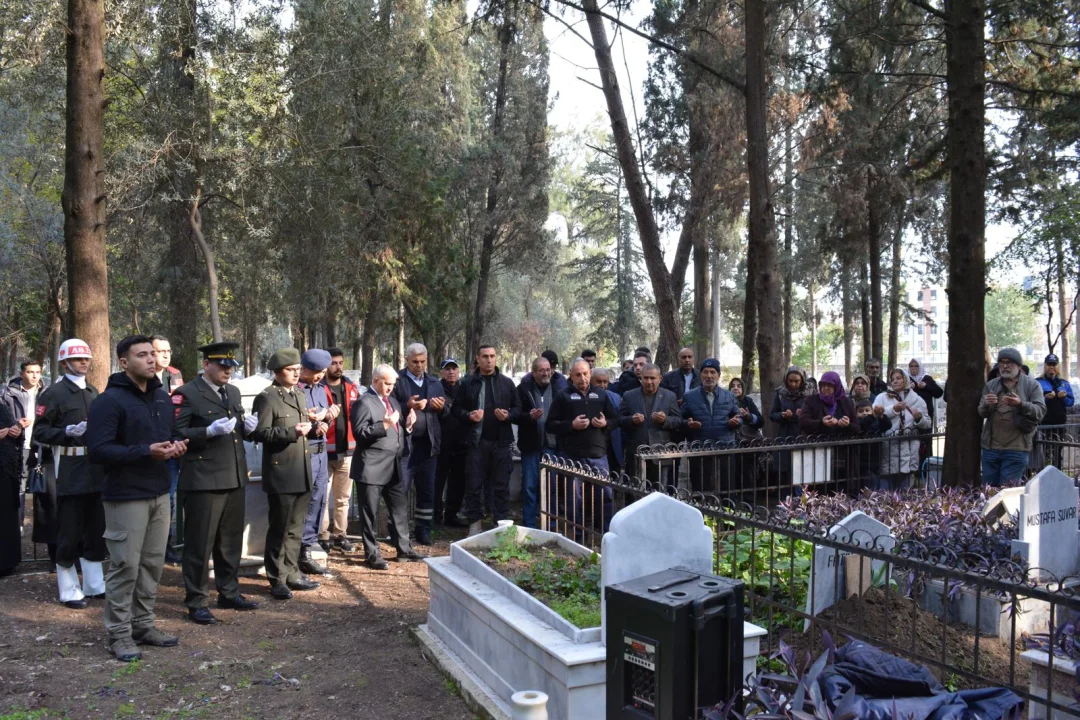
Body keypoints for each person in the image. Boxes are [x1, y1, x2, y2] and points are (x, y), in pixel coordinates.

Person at [87, 335, 189, 662]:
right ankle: (118, 634)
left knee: (151, 565)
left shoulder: (160, 396)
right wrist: (146, 452)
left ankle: (143, 625)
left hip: (160, 493)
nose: (150, 359)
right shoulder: (109, 401)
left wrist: (176, 445)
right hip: (125, 497)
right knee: (125, 566)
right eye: (142, 355)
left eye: (152, 354)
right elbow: (99, 451)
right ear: (124, 362)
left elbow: (168, 436)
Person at [172, 341, 260, 625]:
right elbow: (176, 432)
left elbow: (236, 429)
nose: (228, 371)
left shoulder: (232, 392)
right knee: (200, 544)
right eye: (222, 366)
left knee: (230, 541)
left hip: (234, 475)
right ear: (206, 365)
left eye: (231, 367)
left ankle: (229, 591)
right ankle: (197, 600)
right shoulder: (187, 394)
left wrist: (248, 429)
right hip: (203, 480)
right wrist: (207, 431)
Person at [32, 339, 106, 609]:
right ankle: (69, 588)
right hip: (69, 468)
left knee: (96, 528)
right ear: (64, 363)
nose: (83, 362)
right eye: (77, 359)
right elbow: (39, 432)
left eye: (86, 358)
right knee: (70, 529)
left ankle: (94, 584)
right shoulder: (53, 394)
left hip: (95, 468)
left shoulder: (93, 391)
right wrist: (65, 433)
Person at [252, 348, 320, 600]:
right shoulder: (268, 398)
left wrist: (315, 427)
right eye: (291, 370)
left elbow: (303, 429)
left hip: (301, 471)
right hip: (281, 473)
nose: (296, 374)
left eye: (297, 370)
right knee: (280, 529)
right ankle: (277, 578)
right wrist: (292, 432)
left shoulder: (299, 395)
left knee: (295, 528)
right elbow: (260, 433)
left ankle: (292, 573)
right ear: (278, 372)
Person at [350, 363, 423, 569]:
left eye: (393, 384)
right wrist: (384, 425)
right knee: (369, 513)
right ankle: (372, 554)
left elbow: (397, 429)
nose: (391, 387)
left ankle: (404, 549)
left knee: (399, 510)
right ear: (375, 381)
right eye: (387, 383)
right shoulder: (364, 402)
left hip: (394, 466)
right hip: (371, 467)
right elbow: (360, 433)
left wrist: (407, 426)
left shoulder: (393, 402)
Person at [452, 345, 521, 536]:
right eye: (485, 356)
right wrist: (469, 415)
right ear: (478, 359)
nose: (489, 360)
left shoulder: (506, 383)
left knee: (501, 485)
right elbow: (456, 410)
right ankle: (475, 523)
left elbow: (518, 409)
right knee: (473, 484)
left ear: (496, 358)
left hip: (501, 442)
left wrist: (508, 415)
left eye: (492, 356)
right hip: (476, 442)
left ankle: (501, 524)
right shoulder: (468, 383)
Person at [548, 359, 616, 541]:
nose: (582, 378)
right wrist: (571, 425)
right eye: (578, 374)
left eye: (585, 373)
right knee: (573, 500)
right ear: (571, 375)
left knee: (605, 496)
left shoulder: (601, 394)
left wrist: (605, 423)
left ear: (590, 373)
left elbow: (616, 419)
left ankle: (606, 535)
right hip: (572, 456)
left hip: (598, 456)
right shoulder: (563, 396)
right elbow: (550, 425)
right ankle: (578, 536)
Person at [393, 343, 447, 547]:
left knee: (427, 491)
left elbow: (446, 411)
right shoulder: (398, 381)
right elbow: (388, 408)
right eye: (415, 361)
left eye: (423, 361)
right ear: (406, 360)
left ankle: (423, 530)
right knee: (400, 491)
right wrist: (407, 407)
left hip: (428, 445)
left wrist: (441, 408)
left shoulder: (434, 382)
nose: (419, 365)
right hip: (405, 447)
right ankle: (397, 532)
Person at [978, 348, 1046, 486]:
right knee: (988, 491)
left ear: (1019, 366)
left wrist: (1021, 404)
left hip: (1016, 449)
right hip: (991, 448)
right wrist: (986, 404)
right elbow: (982, 413)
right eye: (1002, 362)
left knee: (1007, 492)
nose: (1005, 366)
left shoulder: (1032, 385)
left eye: (1009, 362)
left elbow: (1040, 411)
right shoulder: (991, 385)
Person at [296, 349, 334, 578]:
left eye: (322, 372)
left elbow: (324, 417)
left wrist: (327, 420)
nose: (320, 376)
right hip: (304, 452)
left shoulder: (321, 390)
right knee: (304, 501)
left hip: (321, 452)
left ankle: (307, 549)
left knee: (319, 500)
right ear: (305, 369)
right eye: (316, 372)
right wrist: (312, 424)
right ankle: (297, 550)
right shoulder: (297, 391)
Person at [320, 348, 361, 552]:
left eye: (340, 362)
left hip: (348, 452)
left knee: (343, 498)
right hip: (324, 452)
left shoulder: (351, 388)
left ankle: (340, 535)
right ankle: (323, 535)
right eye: (333, 363)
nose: (337, 367)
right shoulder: (318, 388)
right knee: (321, 496)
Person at [681, 359, 741, 494]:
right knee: (701, 487)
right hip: (700, 447)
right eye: (706, 372)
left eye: (713, 372)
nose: (709, 376)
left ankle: (728, 513)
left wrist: (736, 422)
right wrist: (688, 424)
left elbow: (738, 416)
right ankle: (703, 514)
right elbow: (680, 419)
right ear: (700, 375)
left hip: (725, 446)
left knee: (728, 487)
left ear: (718, 375)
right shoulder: (690, 396)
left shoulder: (729, 396)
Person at [1, 360, 47, 535]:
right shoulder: (7, 393)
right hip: (17, 446)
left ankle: (43, 530)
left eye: (37, 372)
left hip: (41, 446)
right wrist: (15, 426)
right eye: (30, 372)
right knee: (18, 487)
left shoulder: (47, 393)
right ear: (22, 374)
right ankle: (17, 527)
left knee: (42, 487)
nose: (35, 375)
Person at [619, 363, 681, 489]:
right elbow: (619, 419)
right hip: (636, 452)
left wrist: (665, 420)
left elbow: (678, 421)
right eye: (646, 378)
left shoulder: (669, 396)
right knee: (636, 491)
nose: (649, 381)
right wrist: (631, 420)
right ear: (640, 378)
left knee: (659, 492)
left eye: (653, 378)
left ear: (660, 379)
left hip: (660, 452)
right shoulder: (629, 395)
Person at [150, 335, 184, 564]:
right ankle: (153, 544)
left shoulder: (174, 374)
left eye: (168, 350)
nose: (165, 354)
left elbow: (179, 408)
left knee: (170, 497)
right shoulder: (139, 377)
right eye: (159, 350)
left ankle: (166, 544)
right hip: (149, 448)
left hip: (173, 446)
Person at [872, 368, 931, 490]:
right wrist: (893, 410)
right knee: (886, 487)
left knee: (905, 487)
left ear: (906, 379)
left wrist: (919, 417)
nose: (895, 381)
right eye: (892, 379)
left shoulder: (917, 400)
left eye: (898, 378)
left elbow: (927, 424)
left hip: (909, 447)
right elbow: (875, 415)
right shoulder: (882, 397)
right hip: (889, 445)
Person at [517, 356, 556, 529]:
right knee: (530, 486)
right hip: (530, 445)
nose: (546, 373)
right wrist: (528, 417)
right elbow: (515, 414)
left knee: (552, 486)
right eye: (542, 370)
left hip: (552, 445)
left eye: (548, 369)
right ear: (533, 372)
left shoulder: (559, 388)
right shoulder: (523, 389)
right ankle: (530, 525)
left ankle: (551, 524)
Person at [435, 359, 467, 527]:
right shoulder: (436, 387)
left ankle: (452, 515)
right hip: (440, 445)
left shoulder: (464, 388)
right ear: (441, 372)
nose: (451, 372)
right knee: (438, 482)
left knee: (458, 483)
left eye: (454, 368)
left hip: (461, 444)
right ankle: (436, 516)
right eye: (447, 369)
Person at [1036, 353, 1074, 468]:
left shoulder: (1064, 383)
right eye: (1049, 364)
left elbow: (1070, 402)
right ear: (1045, 366)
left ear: (1058, 366)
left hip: (1060, 424)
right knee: (1045, 451)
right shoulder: (1038, 382)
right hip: (1044, 423)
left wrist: (1064, 397)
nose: (1051, 367)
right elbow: (1033, 401)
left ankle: (1057, 473)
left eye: (1054, 364)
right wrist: (1045, 398)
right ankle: (1044, 475)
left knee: (1058, 451)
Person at [0, 400, 23, 576]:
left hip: (5, 472)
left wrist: (17, 431)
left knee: (6, 516)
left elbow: (13, 427)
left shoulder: (2, 406)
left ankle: (7, 562)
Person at [799, 371, 859, 437]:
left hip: (841, 443)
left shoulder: (847, 402)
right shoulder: (811, 400)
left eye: (829, 385)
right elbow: (803, 422)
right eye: (823, 385)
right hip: (818, 443)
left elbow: (857, 427)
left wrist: (848, 424)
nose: (826, 388)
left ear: (836, 386)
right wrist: (821, 423)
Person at [591, 368, 624, 475]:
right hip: (595, 446)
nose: (602, 385)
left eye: (605, 382)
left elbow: (619, 419)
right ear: (591, 381)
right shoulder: (586, 397)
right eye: (599, 381)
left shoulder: (616, 397)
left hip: (613, 445)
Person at [907, 359, 944, 430]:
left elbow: (939, 393)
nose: (913, 368)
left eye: (916, 366)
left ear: (920, 367)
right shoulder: (906, 379)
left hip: (926, 413)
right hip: (910, 414)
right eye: (911, 366)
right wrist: (909, 388)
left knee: (926, 436)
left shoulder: (927, 379)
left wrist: (926, 387)